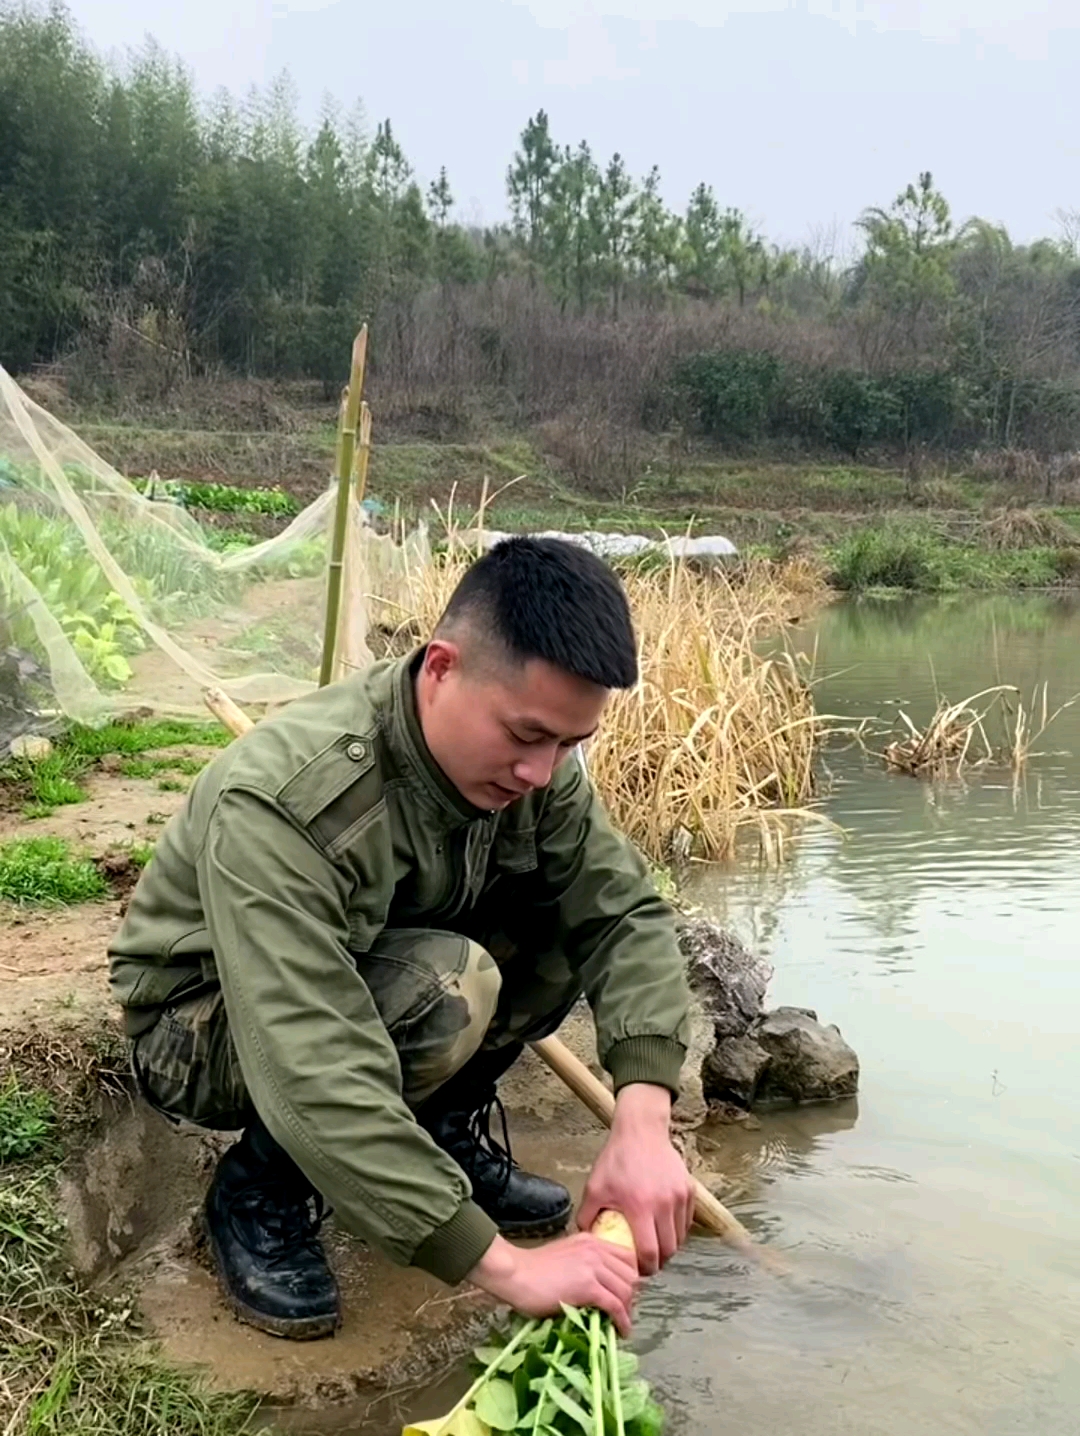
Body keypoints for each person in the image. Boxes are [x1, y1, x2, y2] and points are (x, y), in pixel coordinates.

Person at [108, 536, 694, 1343]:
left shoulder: (536, 777)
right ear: (443, 667)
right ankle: (260, 1193)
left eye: (569, 744)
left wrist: (643, 1124)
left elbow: (623, 916)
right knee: (452, 985)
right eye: (526, 736)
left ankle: (440, 1134)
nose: (542, 772)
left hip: (371, 972)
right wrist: (506, 1269)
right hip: (202, 1026)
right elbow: (310, 1054)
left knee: (555, 929)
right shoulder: (286, 799)